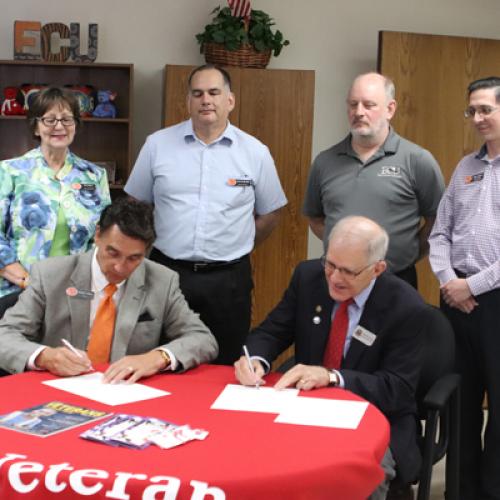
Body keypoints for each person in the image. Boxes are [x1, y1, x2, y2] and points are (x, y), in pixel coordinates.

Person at [235, 216, 429, 500]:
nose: (335, 278)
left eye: (348, 271)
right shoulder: (308, 277)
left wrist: (333, 377)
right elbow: (273, 331)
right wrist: (255, 359)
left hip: (375, 417)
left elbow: (396, 389)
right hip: (303, 408)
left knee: (354, 484)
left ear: (378, 269)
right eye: (331, 264)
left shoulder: (406, 307)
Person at [124, 63, 287, 365]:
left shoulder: (255, 152)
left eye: (214, 92)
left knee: (225, 365)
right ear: (188, 101)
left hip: (228, 280)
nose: (206, 100)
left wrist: (241, 244)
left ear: (230, 101)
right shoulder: (157, 145)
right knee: (158, 362)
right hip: (166, 274)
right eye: (197, 94)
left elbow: (270, 213)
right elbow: (135, 206)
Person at [0, 198, 218, 383]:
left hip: (124, 392)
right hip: (57, 389)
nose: (120, 267)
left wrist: (157, 358)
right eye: (112, 253)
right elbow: (4, 336)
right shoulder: (51, 275)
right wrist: (45, 357)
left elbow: (202, 339)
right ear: (97, 235)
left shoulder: (162, 280)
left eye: (134, 258)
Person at [303, 72, 444, 288]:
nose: (359, 112)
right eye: (353, 104)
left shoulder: (417, 160)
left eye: (369, 105)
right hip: (339, 281)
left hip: (396, 279)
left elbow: (438, 221)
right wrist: (348, 250)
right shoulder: (325, 162)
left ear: (390, 109)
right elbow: (316, 218)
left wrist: (410, 252)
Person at [429, 76, 500, 500]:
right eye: (471, 110)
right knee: (461, 406)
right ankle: (461, 491)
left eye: (485, 109)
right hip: (457, 305)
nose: (477, 118)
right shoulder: (465, 168)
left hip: (494, 302)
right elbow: (439, 234)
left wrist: (470, 284)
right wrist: (447, 282)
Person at [0, 86, 111, 314]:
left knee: (71, 350)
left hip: (75, 295)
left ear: (76, 125)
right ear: (36, 126)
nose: (59, 126)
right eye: (49, 119)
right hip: (17, 293)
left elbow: (103, 236)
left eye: (67, 119)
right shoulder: (10, 172)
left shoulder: (94, 176)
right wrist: (28, 283)